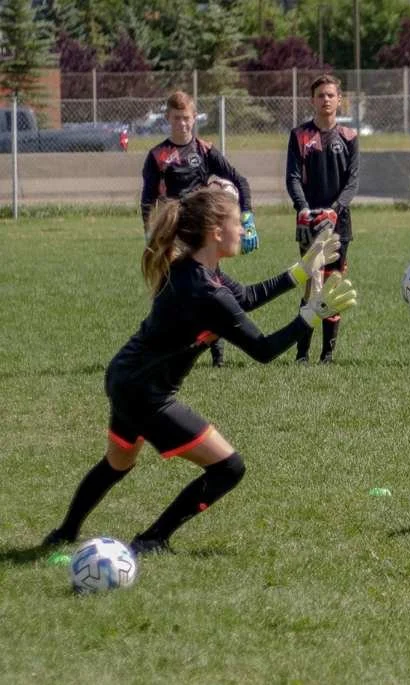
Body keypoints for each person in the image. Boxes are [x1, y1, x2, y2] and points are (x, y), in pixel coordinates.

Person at [43, 185, 356, 555]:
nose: (243, 230)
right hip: (147, 395)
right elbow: (263, 350)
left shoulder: (198, 270)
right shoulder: (205, 290)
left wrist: (300, 272)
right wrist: (309, 315)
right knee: (229, 468)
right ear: (216, 231)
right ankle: (151, 539)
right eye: (238, 223)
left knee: (117, 463)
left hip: (125, 379)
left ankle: (63, 534)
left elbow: (245, 299)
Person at [141, 90, 258, 368]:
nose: (182, 123)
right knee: (168, 292)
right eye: (177, 118)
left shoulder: (205, 150)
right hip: (173, 235)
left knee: (210, 293)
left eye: (187, 118)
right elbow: (148, 199)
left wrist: (248, 218)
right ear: (168, 118)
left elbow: (240, 180)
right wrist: (150, 233)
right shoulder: (158, 155)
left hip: (203, 235)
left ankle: (216, 355)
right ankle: (163, 347)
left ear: (195, 119)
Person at [286, 74, 360, 364]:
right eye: (320, 95)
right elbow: (292, 177)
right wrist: (303, 207)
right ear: (312, 100)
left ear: (339, 100)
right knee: (311, 285)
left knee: (332, 287)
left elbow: (352, 181)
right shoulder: (299, 135)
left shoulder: (350, 137)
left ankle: (327, 354)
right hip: (308, 223)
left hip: (339, 224)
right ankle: (302, 353)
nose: (326, 99)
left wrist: (336, 208)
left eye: (331, 95)